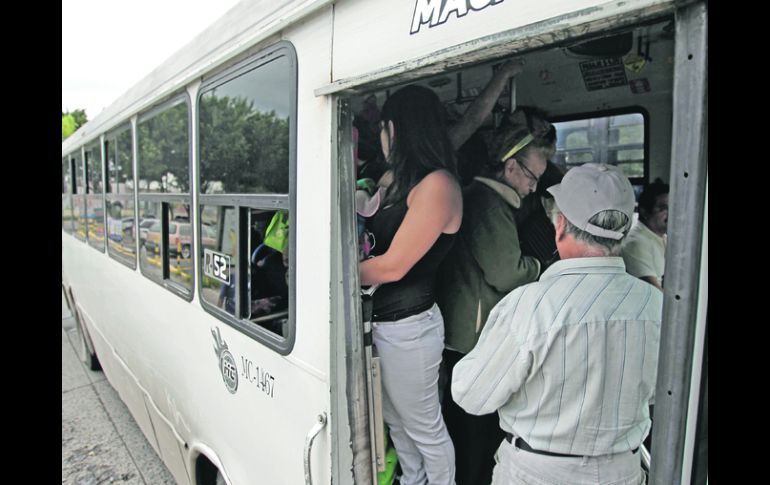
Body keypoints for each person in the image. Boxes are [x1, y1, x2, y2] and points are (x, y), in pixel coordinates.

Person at [452, 163, 662, 485]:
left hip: (535, 473)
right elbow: (657, 392)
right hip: (623, 472)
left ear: (560, 225)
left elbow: (471, 395)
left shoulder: (528, 306)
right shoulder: (656, 306)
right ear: (622, 232)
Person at [435, 107, 551, 485]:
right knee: (475, 433)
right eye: (533, 177)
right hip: (473, 335)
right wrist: (539, 267)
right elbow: (506, 273)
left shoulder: (488, 200)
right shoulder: (490, 205)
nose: (535, 187)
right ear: (512, 166)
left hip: (465, 327)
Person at [360, 84, 462, 485]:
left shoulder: (436, 185)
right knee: (398, 424)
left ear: (394, 129)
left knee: (425, 428)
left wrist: (333, 273)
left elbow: (393, 267)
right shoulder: (398, 180)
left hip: (408, 328)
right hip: (383, 324)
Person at [622, 180, 669, 290]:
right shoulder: (635, 243)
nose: (671, 213)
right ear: (645, 212)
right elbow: (655, 292)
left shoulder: (664, 238)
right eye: (663, 208)